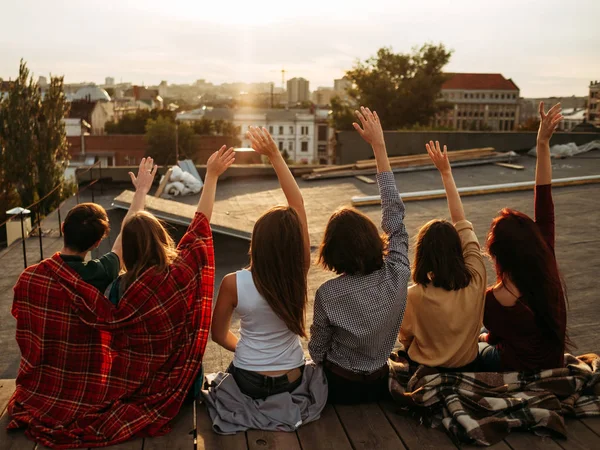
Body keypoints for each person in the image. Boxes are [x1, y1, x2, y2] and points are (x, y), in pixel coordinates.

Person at [8, 148, 234, 448]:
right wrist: (210, 177)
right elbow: (199, 228)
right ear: (99, 239)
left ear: (63, 229)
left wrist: (140, 191)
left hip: (90, 381)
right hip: (177, 387)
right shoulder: (170, 275)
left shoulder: (34, 278)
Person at [308, 107, 410, 404]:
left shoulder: (328, 294)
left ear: (333, 251)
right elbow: (394, 213)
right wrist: (379, 146)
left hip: (339, 387)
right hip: (378, 382)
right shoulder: (399, 271)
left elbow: (316, 352)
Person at [210, 127, 310, 400]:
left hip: (248, 380)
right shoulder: (299, 271)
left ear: (257, 241)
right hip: (293, 378)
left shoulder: (233, 283)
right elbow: (297, 205)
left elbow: (218, 335)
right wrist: (275, 155)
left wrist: (249, 351)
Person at [478, 102, 568, 372]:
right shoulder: (545, 255)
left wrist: (483, 337)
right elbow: (544, 197)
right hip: (553, 361)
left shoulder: (491, 300)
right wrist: (542, 143)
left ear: (497, 254)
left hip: (514, 365)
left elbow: (493, 337)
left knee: (474, 343)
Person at [398, 141, 486, 371]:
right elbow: (460, 220)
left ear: (422, 254)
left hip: (426, 367)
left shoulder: (413, 296)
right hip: (468, 365)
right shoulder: (476, 278)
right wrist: (446, 172)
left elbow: (405, 339)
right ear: (458, 249)